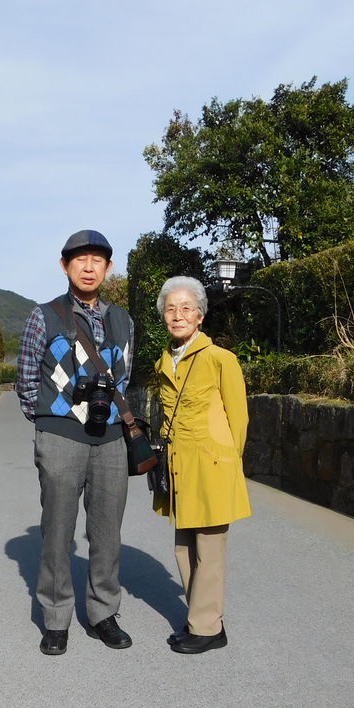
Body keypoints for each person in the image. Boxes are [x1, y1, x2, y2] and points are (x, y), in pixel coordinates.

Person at [16, 230, 136, 655]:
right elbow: (27, 379)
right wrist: (51, 421)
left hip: (111, 440)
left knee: (107, 531)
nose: (89, 267)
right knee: (57, 530)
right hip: (60, 438)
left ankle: (103, 613)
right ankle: (56, 618)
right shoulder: (44, 316)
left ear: (108, 267)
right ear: (65, 266)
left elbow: (124, 376)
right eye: (80, 259)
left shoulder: (123, 320)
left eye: (97, 260)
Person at [151, 276, 251, 654]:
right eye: (171, 309)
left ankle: (208, 628)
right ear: (164, 316)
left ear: (200, 316)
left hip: (211, 466)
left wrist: (226, 462)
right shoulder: (165, 361)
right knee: (184, 548)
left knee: (209, 550)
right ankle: (199, 618)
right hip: (179, 467)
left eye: (186, 308)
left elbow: (238, 419)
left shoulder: (221, 359)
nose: (178, 315)